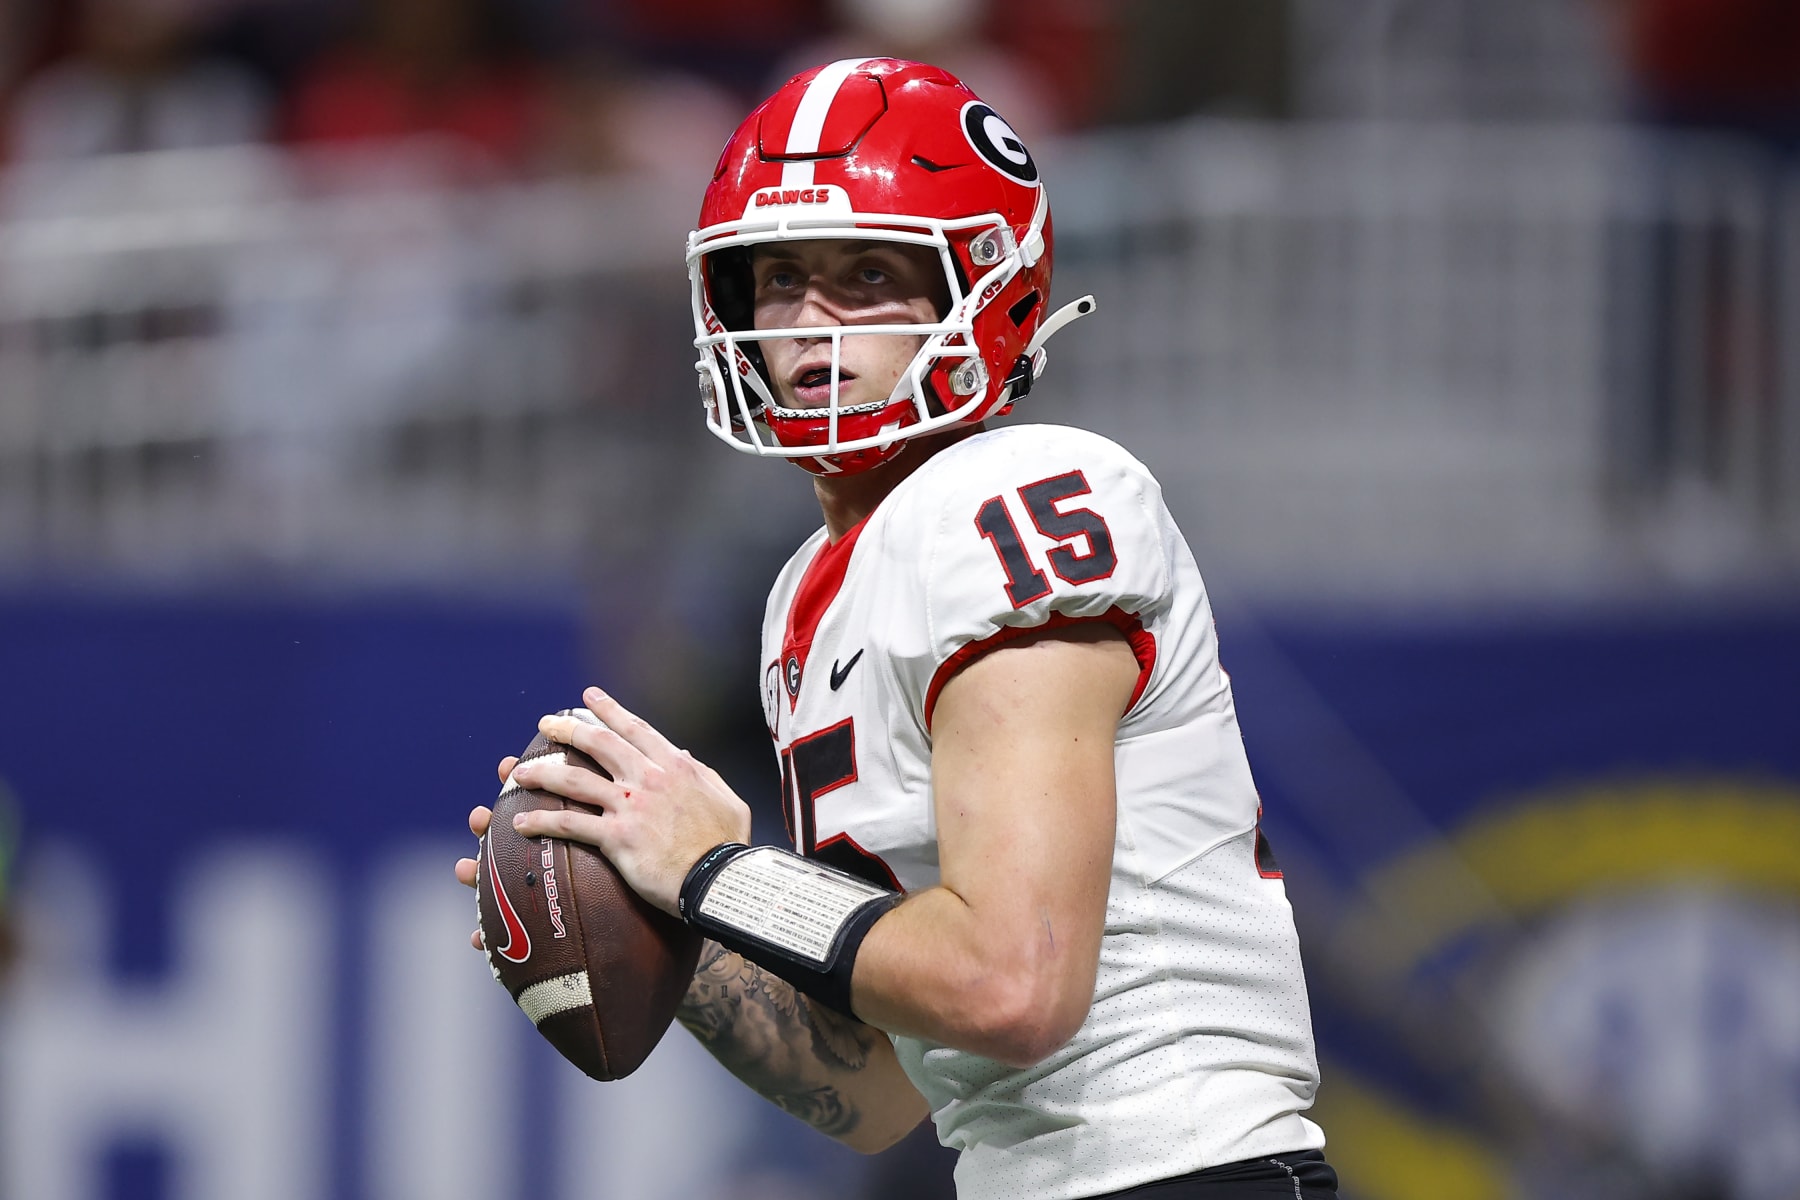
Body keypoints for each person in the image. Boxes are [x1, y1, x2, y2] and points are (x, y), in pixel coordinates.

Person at [456, 58, 1338, 1199]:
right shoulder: (806, 594)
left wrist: (715, 869)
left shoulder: (1021, 490)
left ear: (984, 289)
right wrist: (663, 919)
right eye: (777, 279)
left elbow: (1016, 986)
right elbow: (880, 1091)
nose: (812, 324)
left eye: (867, 274)